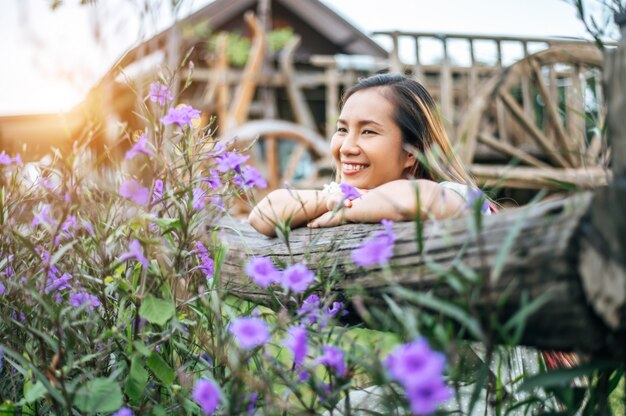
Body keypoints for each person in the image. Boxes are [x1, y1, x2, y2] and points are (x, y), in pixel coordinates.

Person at [249, 73, 491, 237]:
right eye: (342, 129)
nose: (346, 147)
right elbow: (263, 213)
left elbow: (418, 197)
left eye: (368, 131)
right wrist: (329, 202)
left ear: (412, 151)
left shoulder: (456, 195)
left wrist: (346, 211)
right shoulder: (339, 197)